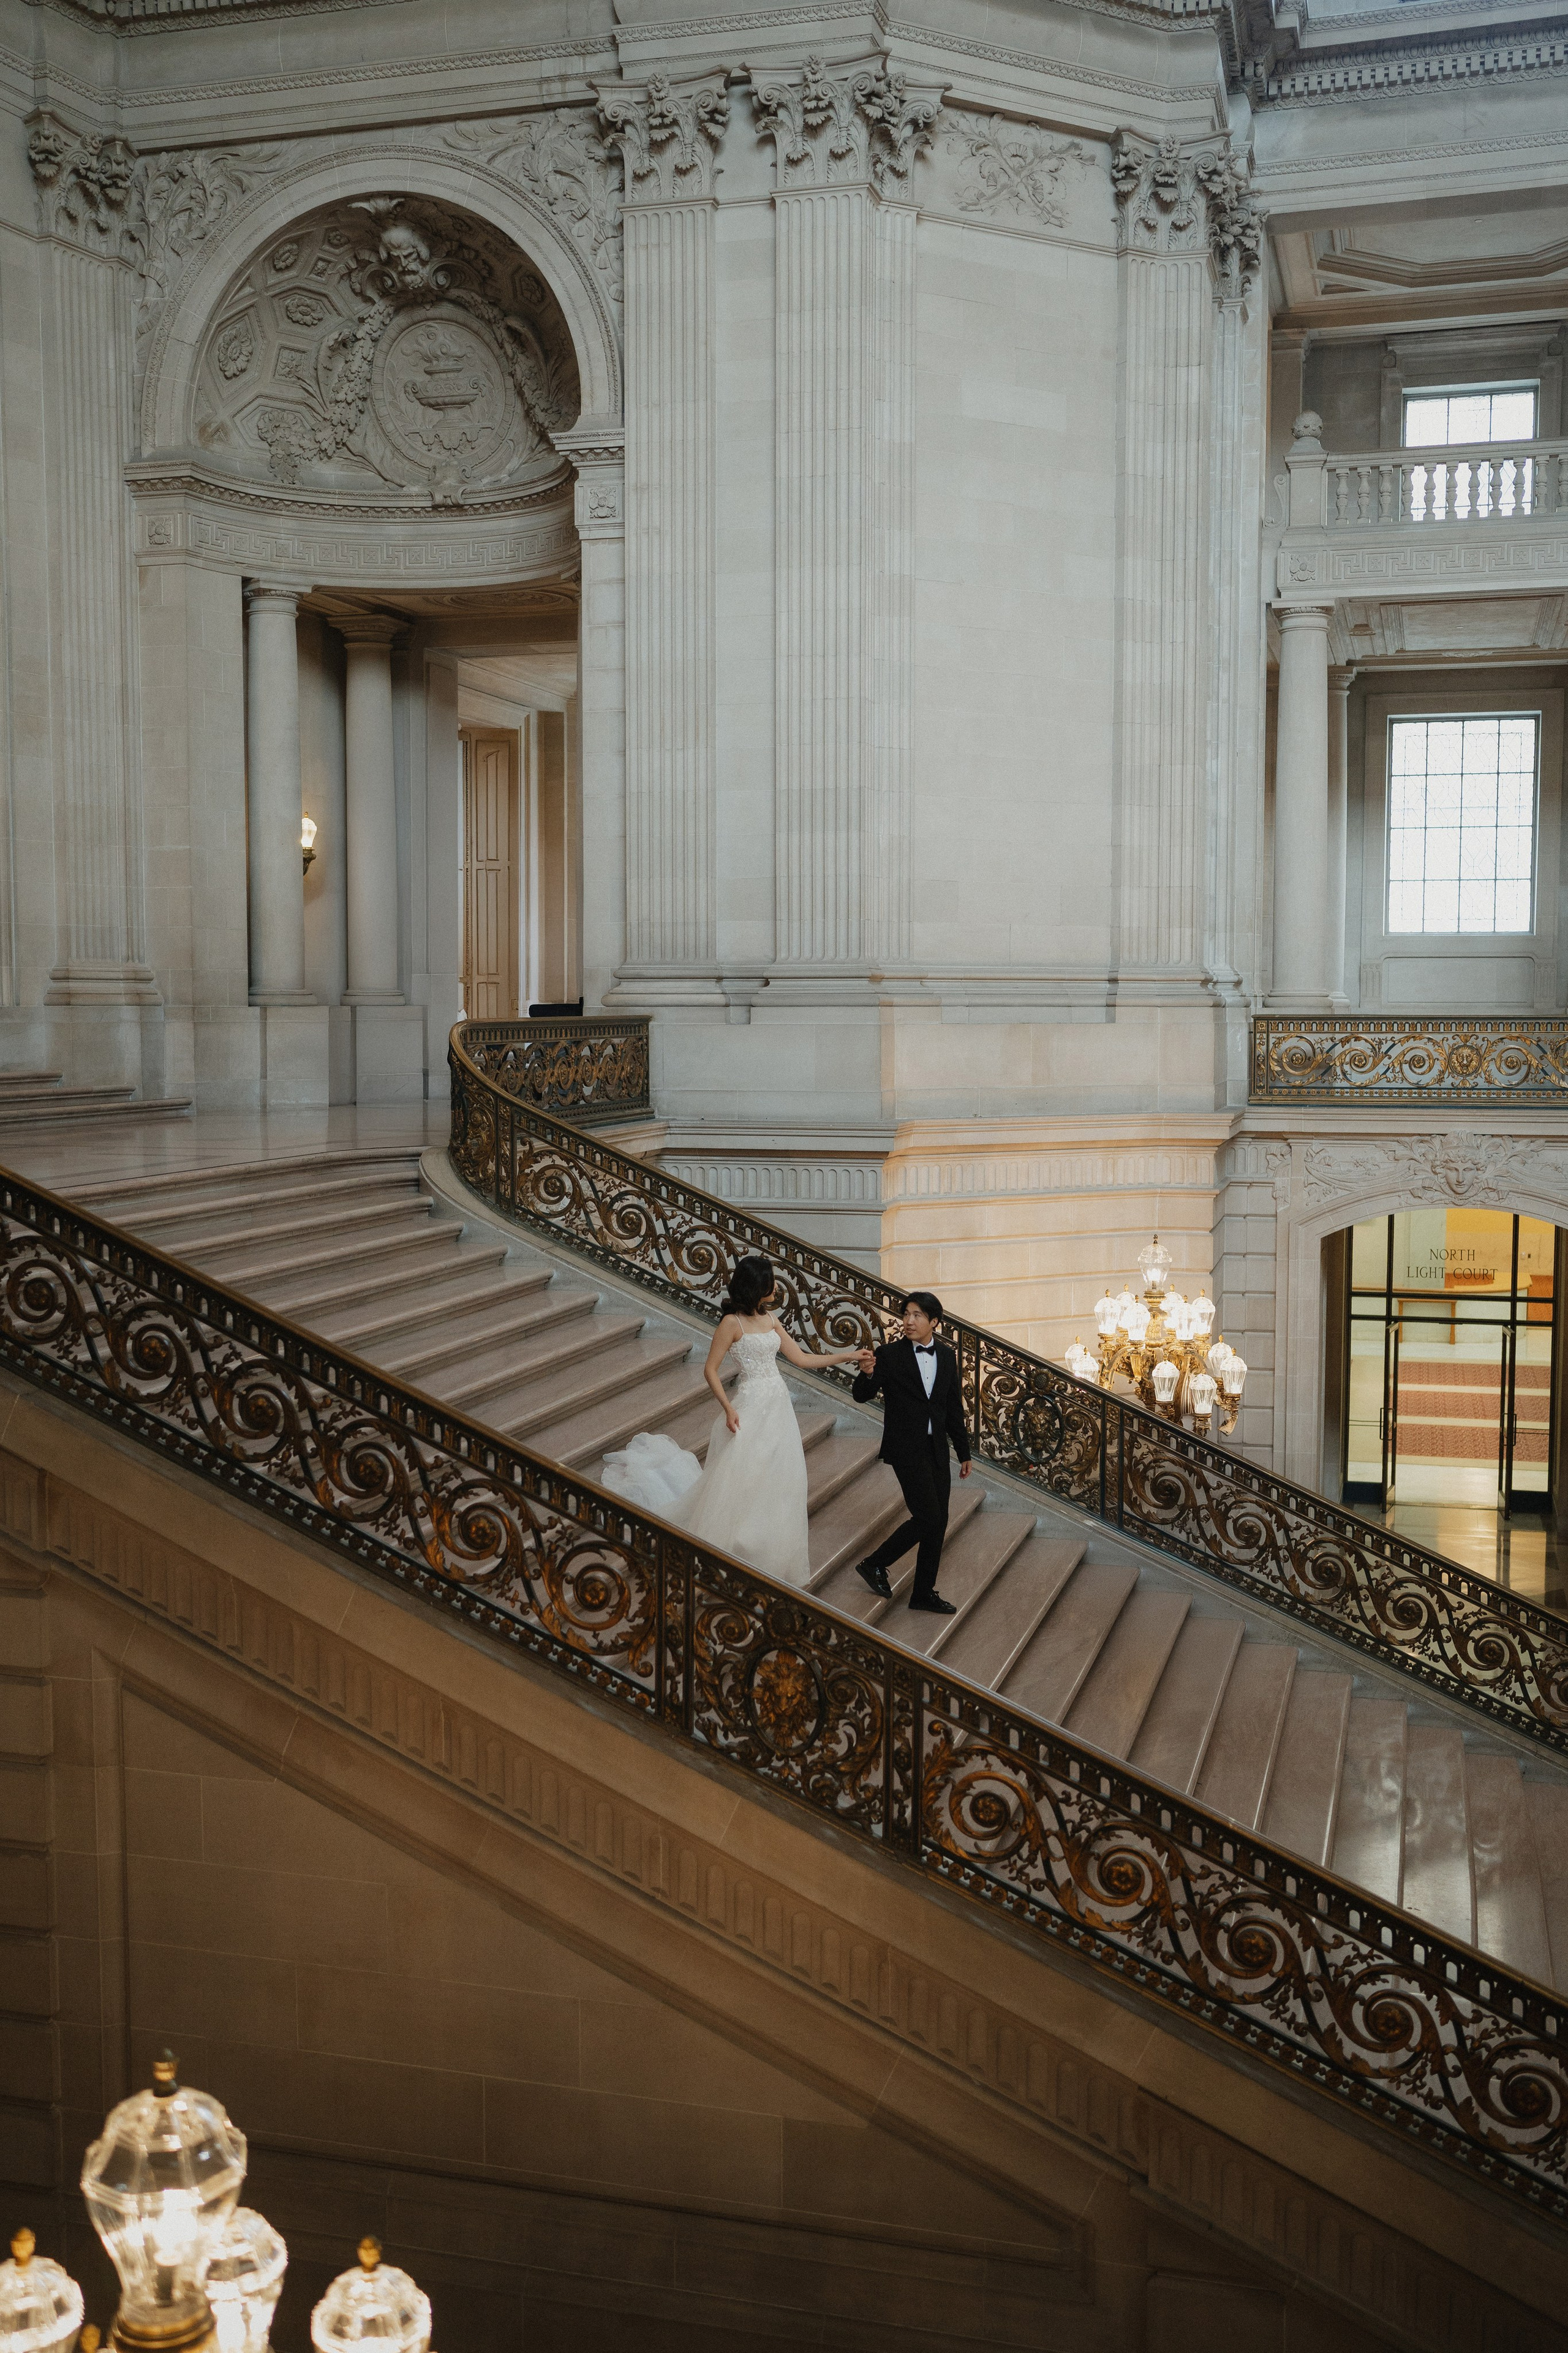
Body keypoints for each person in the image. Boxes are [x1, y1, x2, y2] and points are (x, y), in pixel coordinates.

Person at [599, 1254, 864, 1587]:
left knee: (778, 1480)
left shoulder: (770, 1319)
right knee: (744, 1477)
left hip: (778, 1406)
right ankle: (733, 1547)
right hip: (750, 1406)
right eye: (770, 1282)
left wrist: (848, 1356)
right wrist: (728, 1408)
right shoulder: (731, 1324)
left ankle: (765, 1549)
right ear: (757, 1286)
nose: (776, 1287)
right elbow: (710, 1369)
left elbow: (801, 1359)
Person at [849, 1291, 971, 1614]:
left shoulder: (946, 1356)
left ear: (934, 1322)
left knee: (939, 1520)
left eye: (917, 1315)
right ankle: (875, 1563)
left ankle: (923, 1593)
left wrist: (964, 1451)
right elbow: (862, 1396)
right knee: (929, 1516)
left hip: (936, 1448)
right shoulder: (889, 1354)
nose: (908, 1321)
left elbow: (951, 1408)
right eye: (906, 1314)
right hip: (906, 1448)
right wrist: (867, 1372)